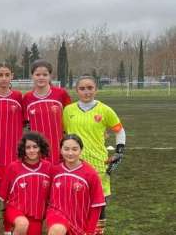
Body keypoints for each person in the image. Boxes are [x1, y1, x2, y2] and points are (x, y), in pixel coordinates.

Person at [63, 75, 126, 234]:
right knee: (75, 201)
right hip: (74, 164)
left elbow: (119, 130)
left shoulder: (104, 109)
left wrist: (119, 151)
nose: (86, 92)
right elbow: (64, 134)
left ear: (96, 89)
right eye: (82, 88)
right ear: (77, 90)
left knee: (99, 202)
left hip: (99, 163)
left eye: (90, 88)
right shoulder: (68, 110)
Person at [46, 134, 105, 235]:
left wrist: (90, 231)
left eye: (74, 149)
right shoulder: (54, 170)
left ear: (81, 150)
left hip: (79, 223)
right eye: (66, 149)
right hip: (56, 215)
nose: (70, 153)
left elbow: (97, 205)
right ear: (60, 150)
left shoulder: (90, 174)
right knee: (57, 229)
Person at [0, 132, 52, 235]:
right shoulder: (13, 167)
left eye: (35, 147)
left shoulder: (48, 167)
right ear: (23, 149)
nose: (31, 150)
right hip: (15, 210)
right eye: (28, 147)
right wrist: (7, 227)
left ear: (41, 148)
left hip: (36, 216)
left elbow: (51, 196)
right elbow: (3, 197)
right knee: (22, 224)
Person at [22, 60, 71, 164]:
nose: (41, 77)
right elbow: (26, 124)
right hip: (36, 148)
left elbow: (71, 117)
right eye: (37, 74)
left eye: (45, 74)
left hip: (59, 146)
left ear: (50, 76)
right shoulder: (27, 98)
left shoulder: (61, 94)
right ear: (32, 76)